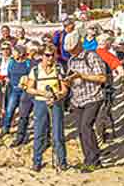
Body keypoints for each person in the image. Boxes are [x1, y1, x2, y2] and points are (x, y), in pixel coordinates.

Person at [64, 31, 108, 173]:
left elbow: (102, 78)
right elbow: (72, 80)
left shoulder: (91, 56)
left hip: (93, 97)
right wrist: (68, 81)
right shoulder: (71, 60)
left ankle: (93, 160)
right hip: (77, 99)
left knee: (86, 127)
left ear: (78, 45)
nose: (70, 52)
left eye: (72, 48)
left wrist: (82, 76)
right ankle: (89, 158)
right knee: (81, 131)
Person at [24, 45, 68, 172]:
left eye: (52, 55)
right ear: (42, 56)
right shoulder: (35, 70)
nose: (50, 58)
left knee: (58, 134)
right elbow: (29, 88)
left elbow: (64, 88)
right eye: (47, 55)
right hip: (40, 103)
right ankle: (36, 161)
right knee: (39, 133)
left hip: (56, 103)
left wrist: (58, 95)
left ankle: (62, 161)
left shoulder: (59, 68)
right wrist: (43, 93)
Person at [0, 45, 32, 137]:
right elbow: (9, 74)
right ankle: (5, 128)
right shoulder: (11, 62)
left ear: (20, 53)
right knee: (9, 110)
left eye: (14, 51)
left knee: (23, 112)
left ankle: (21, 132)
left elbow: (31, 77)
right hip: (13, 89)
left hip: (25, 90)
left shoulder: (28, 63)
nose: (12, 53)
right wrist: (7, 80)